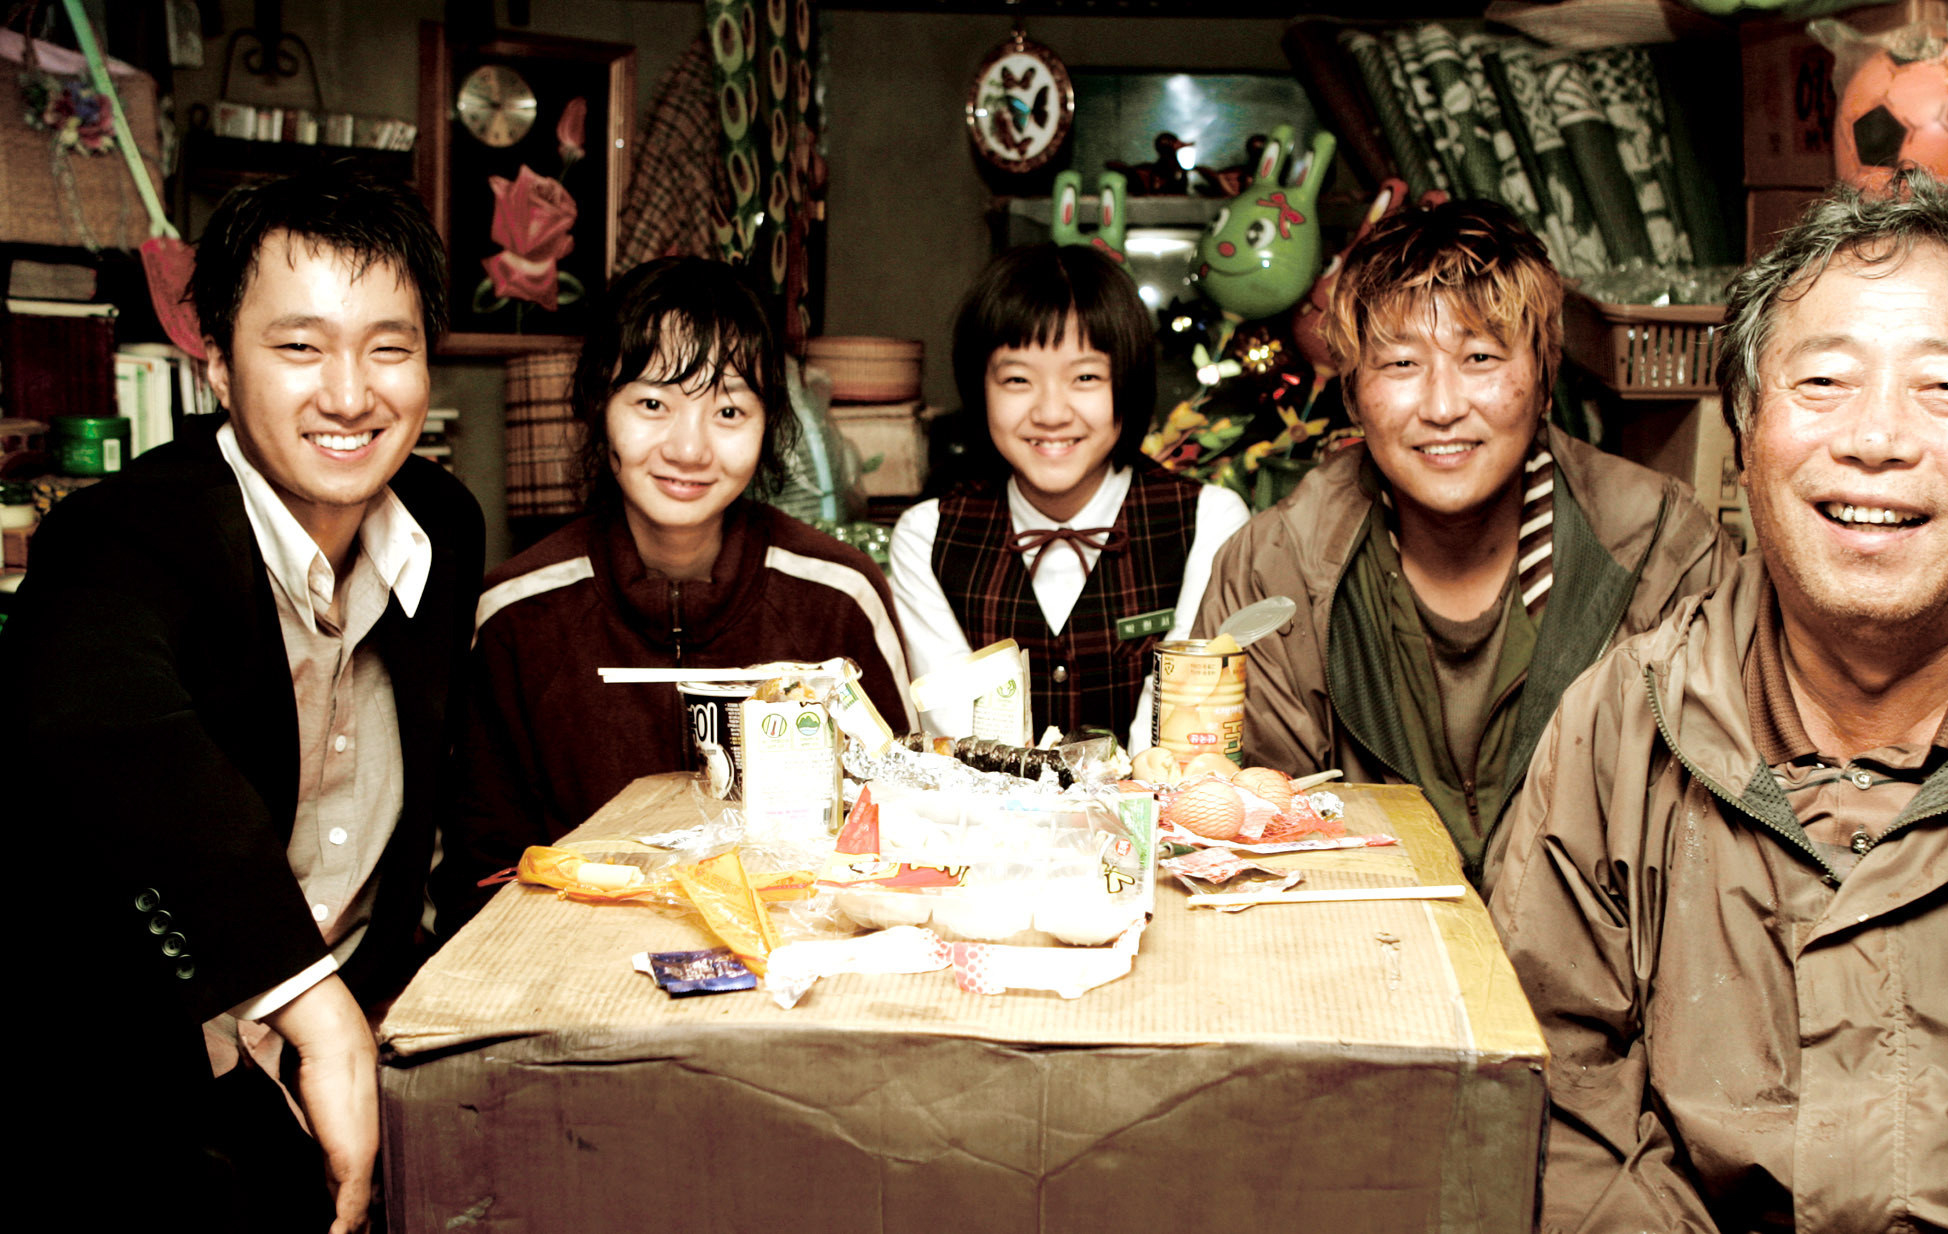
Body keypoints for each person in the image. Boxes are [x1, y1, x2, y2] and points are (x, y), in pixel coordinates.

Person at [1489, 173, 1948, 1232]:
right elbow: (1556, 1104)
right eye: (1822, 381)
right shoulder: (1623, 724)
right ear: (1747, 426)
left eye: (1946, 390)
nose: (1876, 439)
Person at [4, 164, 484, 1232]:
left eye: (388, 347)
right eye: (300, 345)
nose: (351, 393)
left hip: (359, 1050)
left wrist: (374, 1009)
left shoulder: (442, 526)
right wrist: (309, 1004)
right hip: (143, 1088)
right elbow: (100, 725)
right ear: (217, 362)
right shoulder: (122, 536)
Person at [1194, 200, 1733, 894]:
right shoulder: (1274, 570)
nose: (1442, 405)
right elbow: (1249, 843)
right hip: (1364, 967)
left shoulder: (1664, 552)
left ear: (1543, 377)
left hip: (1599, 994)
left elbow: (1703, 848)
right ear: (1356, 397)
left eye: (1480, 356)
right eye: (1399, 364)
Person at [439, 256, 915, 931]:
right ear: (599, 409)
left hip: (796, 979)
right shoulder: (520, 612)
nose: (689, 449)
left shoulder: (836, 598)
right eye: (653, 404)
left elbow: (905, 837)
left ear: (769, 422)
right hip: (570, 986)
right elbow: (478, 872)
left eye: (727, 409)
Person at [887, 242, 1250, 747]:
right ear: (979, 389)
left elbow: (1175, 739)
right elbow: (960, 737)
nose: (1051, 412)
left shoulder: (1206, 522)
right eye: (1017, 379)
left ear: (1128, 383)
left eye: (1085, 377)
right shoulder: (928, 537)